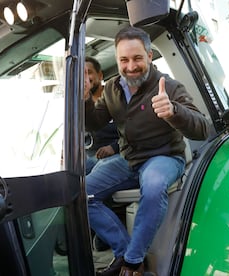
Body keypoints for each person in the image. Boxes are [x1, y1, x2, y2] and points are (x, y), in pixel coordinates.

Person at [84, 26, 209, 276]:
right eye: (124, 60)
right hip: (129, 159)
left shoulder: (169, 87)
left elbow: (202, 128)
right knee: (81, 194)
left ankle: (133, 261)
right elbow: (95, 122)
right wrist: (86, 97)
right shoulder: (111, 89)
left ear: (149, 56)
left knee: (152, 186)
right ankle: (124, 252)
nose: (131, 66)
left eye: (137, 58)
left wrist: (174, 111)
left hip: (164, 157)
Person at [84, 56, 120, 175]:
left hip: (116, 155)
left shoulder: (117, 96)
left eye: (88, 72)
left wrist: (114, 147)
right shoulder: (78, 106)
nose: (85, 78)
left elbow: (133, 130)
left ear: (100, 76)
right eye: (80, 74)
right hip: (89, 157)